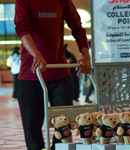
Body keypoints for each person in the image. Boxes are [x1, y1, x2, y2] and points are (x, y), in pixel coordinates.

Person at [14, 0, 92, 150]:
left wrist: (86, 55)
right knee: (32, 131)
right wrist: (36, 54)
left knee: (63, 129)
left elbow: (77, 27)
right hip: (30, 74)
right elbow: (21, 27)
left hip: (59, 74)